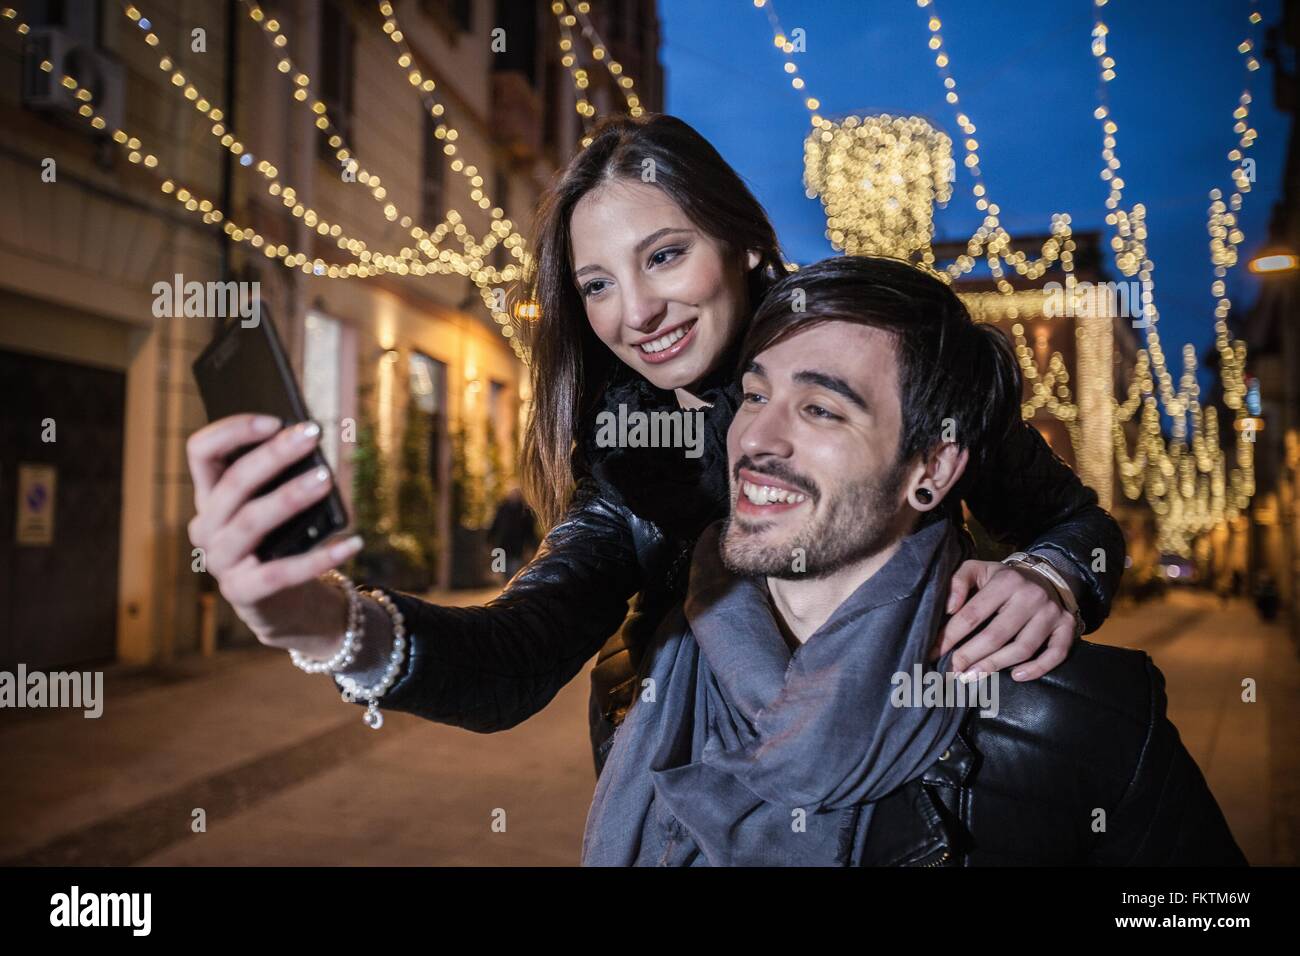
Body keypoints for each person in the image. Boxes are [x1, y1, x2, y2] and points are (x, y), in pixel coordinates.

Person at [185, 113, 1126, 772]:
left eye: (663, 256)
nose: (634, 314)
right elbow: (514, 658)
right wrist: (321, 622)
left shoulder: (888, 352)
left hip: (938, 789)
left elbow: (1078, 526)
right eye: (596, 285)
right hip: (699, 806)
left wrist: (1049, 576)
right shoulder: (632, 457)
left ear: (747, 245)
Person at [583, 256, 1246, 866]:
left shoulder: (1081, 720)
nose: (756, 438)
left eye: (819, 409)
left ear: (931, 469)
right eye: (756, 396)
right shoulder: (637, 678)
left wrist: (1055, 573)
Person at [487, 486, 539, 581]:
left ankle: (510, 591)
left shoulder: (525, 512)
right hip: (501, 547)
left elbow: (530, 531)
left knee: (513, 573)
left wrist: (531, 546)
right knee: (501, 573)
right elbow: (495, 524)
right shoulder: (502, 509)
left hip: (517, 548)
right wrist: (489, 539)